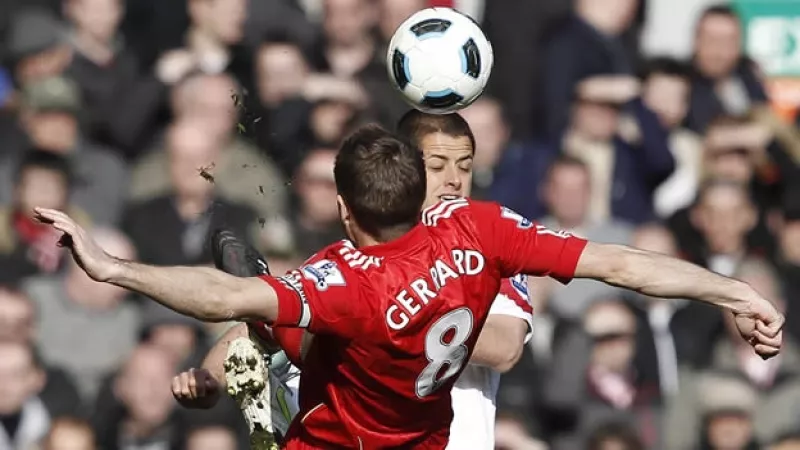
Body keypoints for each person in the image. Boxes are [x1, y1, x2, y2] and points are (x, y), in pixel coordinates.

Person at [35, 124, 783, 449]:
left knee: (274, 311)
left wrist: (114, 267)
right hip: (425, 433)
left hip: (339, 439)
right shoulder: (485, 231)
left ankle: (273, 370)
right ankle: (263, 353)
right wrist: (736, 292)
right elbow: (623, 263)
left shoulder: (345, 281)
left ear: (342, 208)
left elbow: (219, 296)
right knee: (279, 317)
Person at [172, 111, 533, 449]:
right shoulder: (346, 263)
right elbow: (250, 331)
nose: (454, 179)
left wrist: (388, 317)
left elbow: (504, 347)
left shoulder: (489, 252)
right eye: (437, 166)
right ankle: (289, 396)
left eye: (466, 166)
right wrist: (209, 379)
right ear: (407, 171)